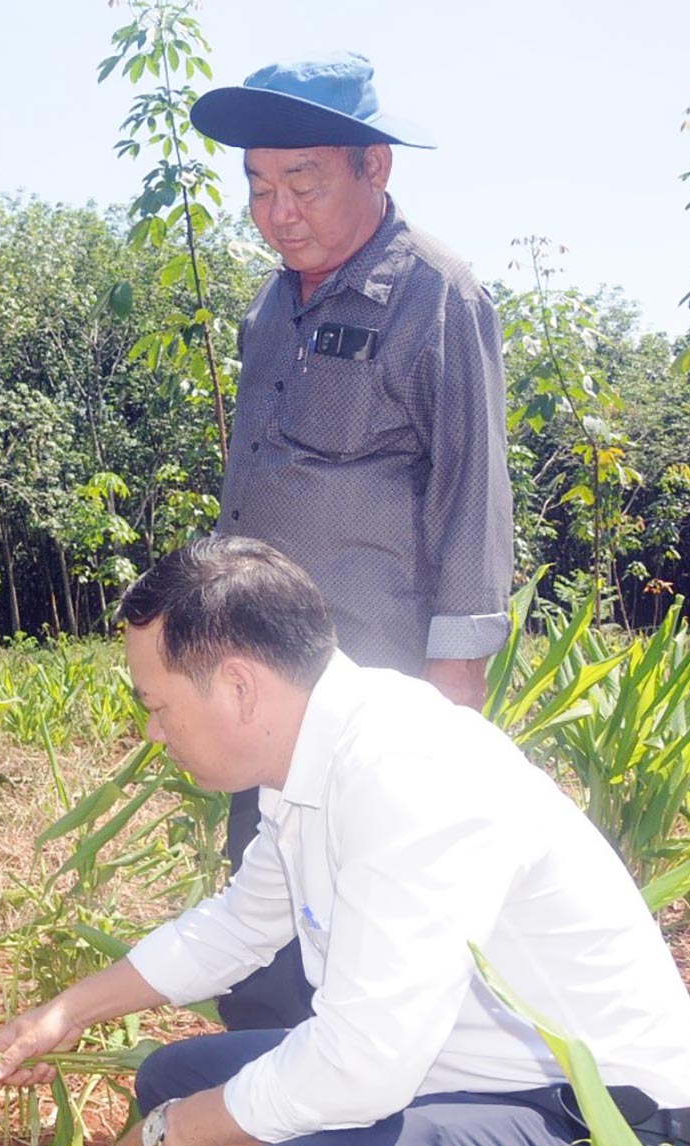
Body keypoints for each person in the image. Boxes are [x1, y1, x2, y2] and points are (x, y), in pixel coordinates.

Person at [0, 537, 690, 1146]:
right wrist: (66, 1014)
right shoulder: (313, 760)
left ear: (238, 687)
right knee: (174, 1076)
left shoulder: (406, 768)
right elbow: (238, 925)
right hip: (463, 1083)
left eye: (158, 708)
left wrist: (171, 1139)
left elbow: (364, 1061)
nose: (154, 735)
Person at [188, 53, 513, 1030]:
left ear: (373, 168)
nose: (276, 210)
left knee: (377, 927)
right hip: (264, 674)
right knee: (269, 908)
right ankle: (260, 1117)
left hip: (376, 686)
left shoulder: (434, 296)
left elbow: (470, 493)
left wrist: (452, 702)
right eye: (256, 186)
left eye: (302, 182)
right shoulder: (267, 308)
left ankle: (374, 1128)